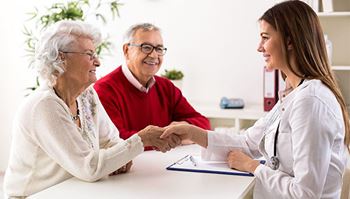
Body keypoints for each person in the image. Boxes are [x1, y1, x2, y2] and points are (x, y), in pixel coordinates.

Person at [161, 1, 350, 198]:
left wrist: (252, 166)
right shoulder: (294, 93)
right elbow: (249, 142)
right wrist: (192, 132)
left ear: (290, 41)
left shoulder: (310, 101)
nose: (259, 48)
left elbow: (305, 194)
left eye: (265, 38)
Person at [3, 20, 180, 198]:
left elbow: (111, 141)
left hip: (75, 191)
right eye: (89, 54)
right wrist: (142, 138)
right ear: (61, 58)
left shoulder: (86, 95)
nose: (98, 62)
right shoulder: (43, 105)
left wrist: (120, 157)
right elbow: (90, 167)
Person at [93, 23, 210, 148]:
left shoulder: (166, 87)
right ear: (127, 50)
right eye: (146, 47)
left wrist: (185, 128)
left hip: (165, 163)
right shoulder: (104, 90)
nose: (154, 55)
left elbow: (203, 123)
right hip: (132, 166)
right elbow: (114, 140)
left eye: (159, 49)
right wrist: (163, 138)